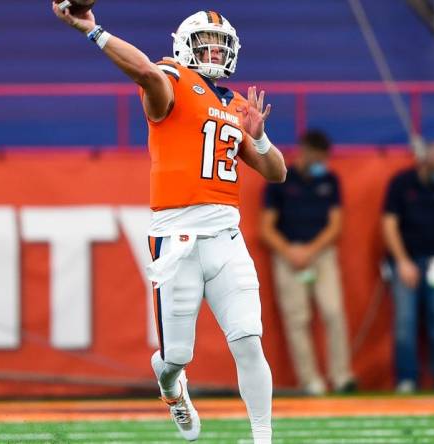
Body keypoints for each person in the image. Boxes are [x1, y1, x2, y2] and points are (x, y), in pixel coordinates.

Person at [53, 6, 287, 443]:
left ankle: (263, 438)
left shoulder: (235, 104)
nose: (215, 51)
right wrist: (91, 29)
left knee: (249, 341)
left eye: (221, 44)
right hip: (177, 237)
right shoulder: (173, 80)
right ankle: (170, 386)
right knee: (176, 356)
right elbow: (143, 72)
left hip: (226, 237)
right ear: (183, 46)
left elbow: (276, 173)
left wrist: (259, 138)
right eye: (205, 43)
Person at [260, 130, 356, 396]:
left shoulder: (330, 180)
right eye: (319, 157)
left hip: (321, 255)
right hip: (288, 255)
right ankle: (310, 380)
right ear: (305, 151)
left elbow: (336, 224)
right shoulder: (280, 179)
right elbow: (266, 228)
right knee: (297, 319)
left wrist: (311, 250)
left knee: (333, 312)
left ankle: (341, 375)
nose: (322, 163)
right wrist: (291, 252)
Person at [381, 144, 434, 394]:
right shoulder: (402, 184)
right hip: (406, 261)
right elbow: (389, 224)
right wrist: (402, 261)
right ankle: (406, 378)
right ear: (425, 165)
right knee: (405, 323)